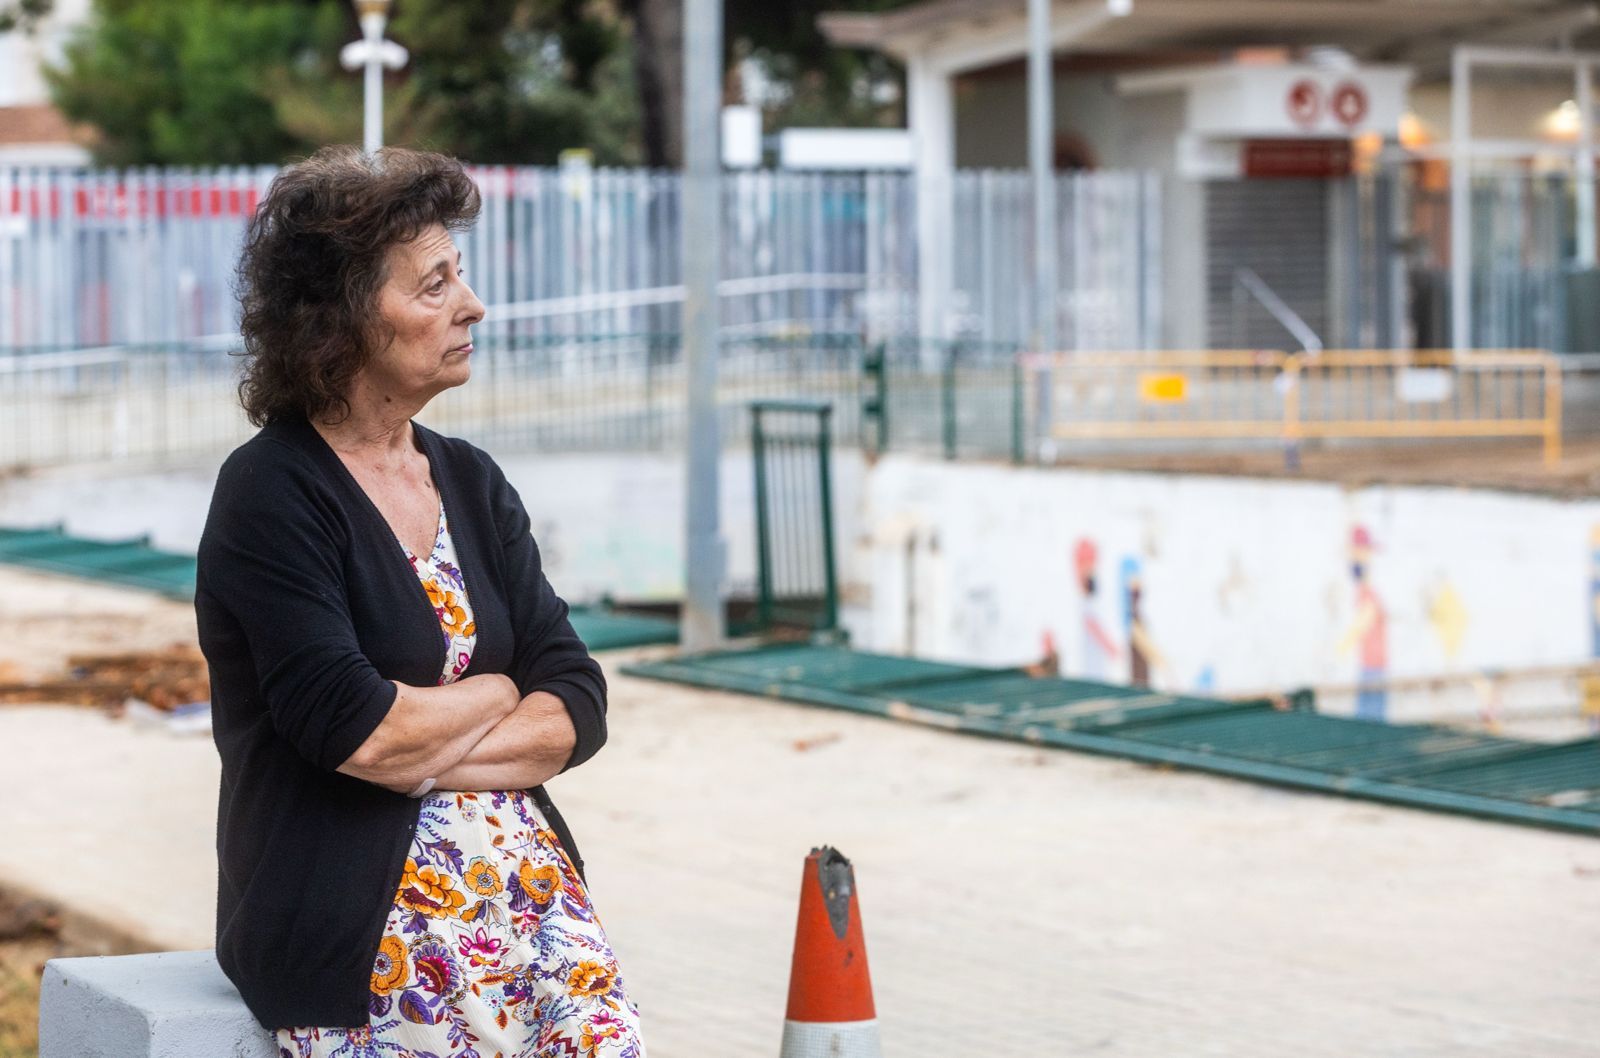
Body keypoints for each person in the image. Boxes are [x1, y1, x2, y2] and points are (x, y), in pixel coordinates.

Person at [195, 145, 644, 1057]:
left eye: (460, 275)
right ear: (343, 324)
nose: (470, 306)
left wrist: (426, 739)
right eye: (433, 285)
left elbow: (579, 702)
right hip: (354, 936)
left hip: (536, 918)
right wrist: (494, 691)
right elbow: (358, 735)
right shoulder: (271, 492)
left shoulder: (470, 481)